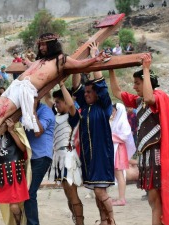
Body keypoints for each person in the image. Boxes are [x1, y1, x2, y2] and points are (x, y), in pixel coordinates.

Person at [0, 35, 109, 163]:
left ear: (52, 44)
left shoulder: (61, 59)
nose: (41, 48)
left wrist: (95, 57)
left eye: (44, 45)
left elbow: (80, 64)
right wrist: (27, 61)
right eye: (40, 45)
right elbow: (30, 66)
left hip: (25, 91)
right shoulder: (40, 60)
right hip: (16, 86)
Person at [108, 53, 169, 225]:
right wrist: (110, 68)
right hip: (146, 156)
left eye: (137, 83)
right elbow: (117, 92)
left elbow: (149, 97)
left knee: (156, 199)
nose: (134, 86)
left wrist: (146, 69)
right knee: (153, 200)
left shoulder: (158, 98)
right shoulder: (139, 101)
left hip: (156, 155)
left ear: (148, 82)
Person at [72, 43, 115, 225]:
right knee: (96, 190)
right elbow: (75, 86)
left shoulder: (103, 106)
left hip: (102, 154)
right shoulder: (85, 107)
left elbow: (102, 85)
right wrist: (75, 63)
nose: (87, 94)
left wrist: (95, 56)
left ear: (97, 94)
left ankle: (111, 219)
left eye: (90, 92)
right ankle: (104, 219)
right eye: (86, 92)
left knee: (100, 191)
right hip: (88, 156)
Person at [47, 82, 83, 225]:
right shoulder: (56, 114)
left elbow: (71, 105)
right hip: (58, 158)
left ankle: (80, 223)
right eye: (55, 102)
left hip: (68, 157)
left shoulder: (72, 116)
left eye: (59, 102)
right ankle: (76, 220)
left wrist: (62, 85)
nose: (56, 105)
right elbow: (46, 98)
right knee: (68, 195)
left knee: (72, 194)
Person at [24, 94, 55, 225]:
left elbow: (38, 131)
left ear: (37, 99)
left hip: (42, 157)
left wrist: (32, 112)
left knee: (30, 193)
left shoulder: (46, 111)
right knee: (26, 193)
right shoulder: (24, 111)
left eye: (32, 99)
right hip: (30, 157)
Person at [110, 103, 136, 206]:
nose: (113, 112)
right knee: (118, 174)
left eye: (114, 110)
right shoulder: (115, 121)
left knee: (119, 174)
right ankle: (120, 197)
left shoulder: (123, 122)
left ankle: (122, 199)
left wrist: (110, 137)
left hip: (119, 150)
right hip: (115, 149)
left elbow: (124, 136)